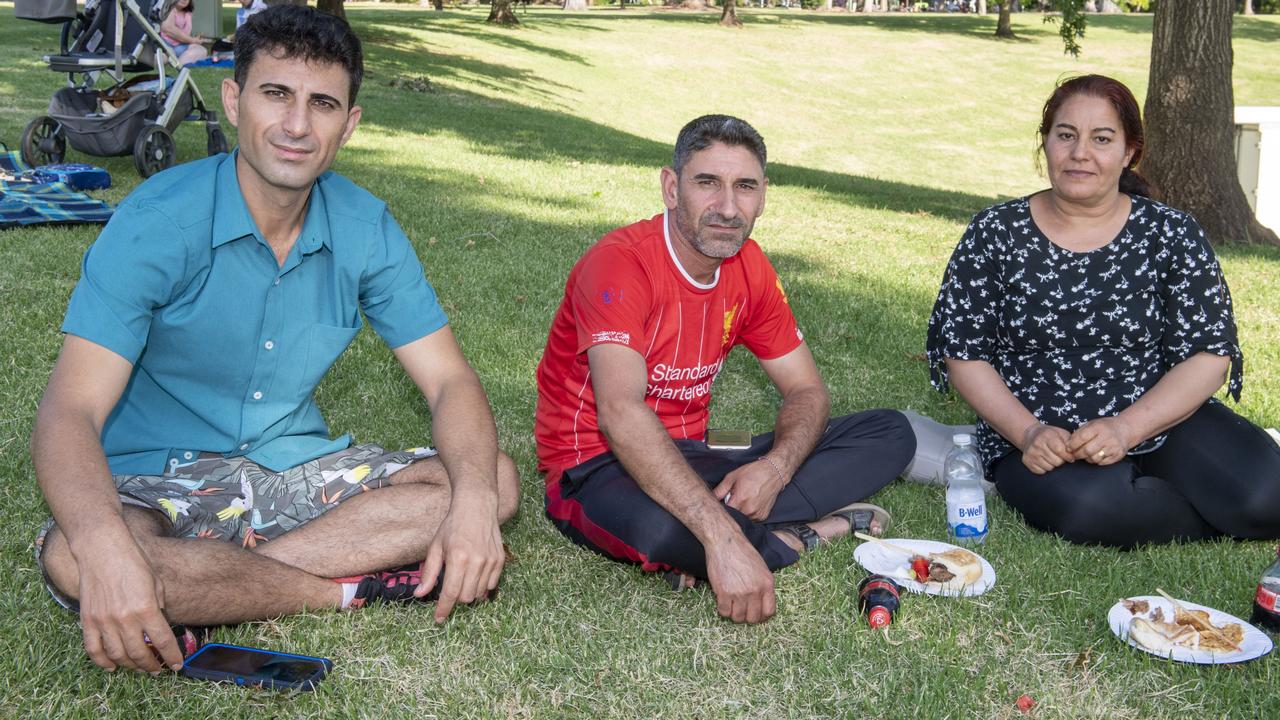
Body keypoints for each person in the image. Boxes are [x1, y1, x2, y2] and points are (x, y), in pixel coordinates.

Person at [31, 5, 518, 676]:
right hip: (157, 480)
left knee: (491, 481)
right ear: (233, 100)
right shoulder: (157, 221)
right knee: (75, 552)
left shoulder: (366, 227)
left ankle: (220, 586)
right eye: (275, 94)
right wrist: (106, 544)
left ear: (348, 124)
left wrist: (471, 505)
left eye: (321, 104)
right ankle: (336, 591)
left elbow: (450, 382)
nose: (296, 126)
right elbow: (70, 410)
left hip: (293, 474)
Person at [535, 115, 915, 625]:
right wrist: (722, 539)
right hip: (597, 464)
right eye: (707, 183)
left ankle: (732, 521)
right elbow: (620, 415)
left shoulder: (749, 266)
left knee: (889, 432)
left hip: (697, 453)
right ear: (672, 188)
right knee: (665, 533)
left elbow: (807, 392)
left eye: (745, 187)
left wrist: (773, 470)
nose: (728, 208)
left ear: (763, 196)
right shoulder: (619, 265)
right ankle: (805, 534)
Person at [926, 74, 1280, 549]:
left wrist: (1126, 428)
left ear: (1130, 151)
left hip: (1160, 415)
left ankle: (1199, 495)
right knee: (1094, 512)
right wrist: (1027, 432)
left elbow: (1209, 355)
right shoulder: (995, 232)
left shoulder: (1170, 234)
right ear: (1046, 142)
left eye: (1102, 138)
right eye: (1066, 135)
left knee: (1267, 498)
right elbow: (963, 353)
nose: (1080, 153)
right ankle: (1190, 506)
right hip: (1044, 434)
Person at [159, 0, 209, 65]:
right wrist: (192, 40)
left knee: (202, 51)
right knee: (164, 57)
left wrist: (195, 39)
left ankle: (177, 63)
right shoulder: (171, 9)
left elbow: (184, 34)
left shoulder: (188, 13)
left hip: (181, 46)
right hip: (167, 46)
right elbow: (168, 29)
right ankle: (177, 63)